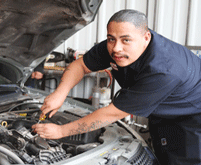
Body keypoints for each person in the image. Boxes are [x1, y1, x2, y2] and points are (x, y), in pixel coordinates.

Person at [32, 9, 201, 165]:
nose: (116, 48)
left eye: (126, 40)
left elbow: (113, 113)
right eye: (111, 38)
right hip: (162, 113)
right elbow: (80, 65)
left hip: (191, 119)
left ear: (146, 37)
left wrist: (61, 132)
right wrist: (60, 93)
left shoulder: (164, 70)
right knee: (160, 154)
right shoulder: (115, 45)